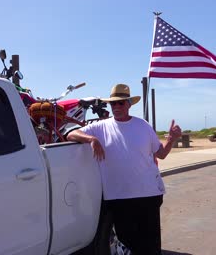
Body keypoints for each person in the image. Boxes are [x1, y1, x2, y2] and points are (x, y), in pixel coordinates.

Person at [67, 83, 182, 255]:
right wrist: (91, 139)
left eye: (121, 103)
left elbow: (161, 153)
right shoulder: (100, 127)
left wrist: (172, 139)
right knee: (127, 245)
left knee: (150, 246)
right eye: (113, 103)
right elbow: (71, 134)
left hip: (148, 195)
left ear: (129, 104)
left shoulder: (143, 126)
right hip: (119, 197)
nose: (116, 106)